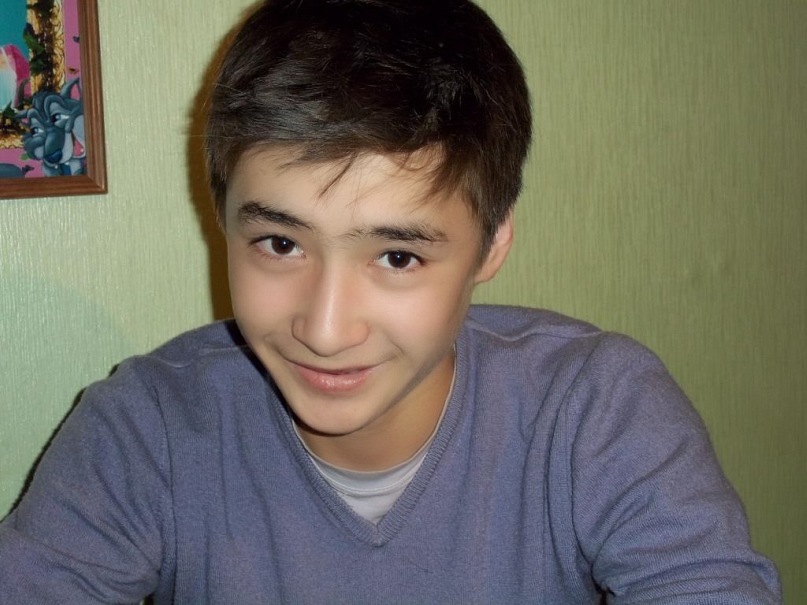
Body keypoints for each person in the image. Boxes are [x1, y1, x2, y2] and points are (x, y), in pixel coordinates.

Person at [0, 0, 782, 602]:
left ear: (491, 245)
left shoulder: (594, 409)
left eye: (398, 255)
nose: (324, 328)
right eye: (279, 243)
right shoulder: (145, 431)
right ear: (223, 221)